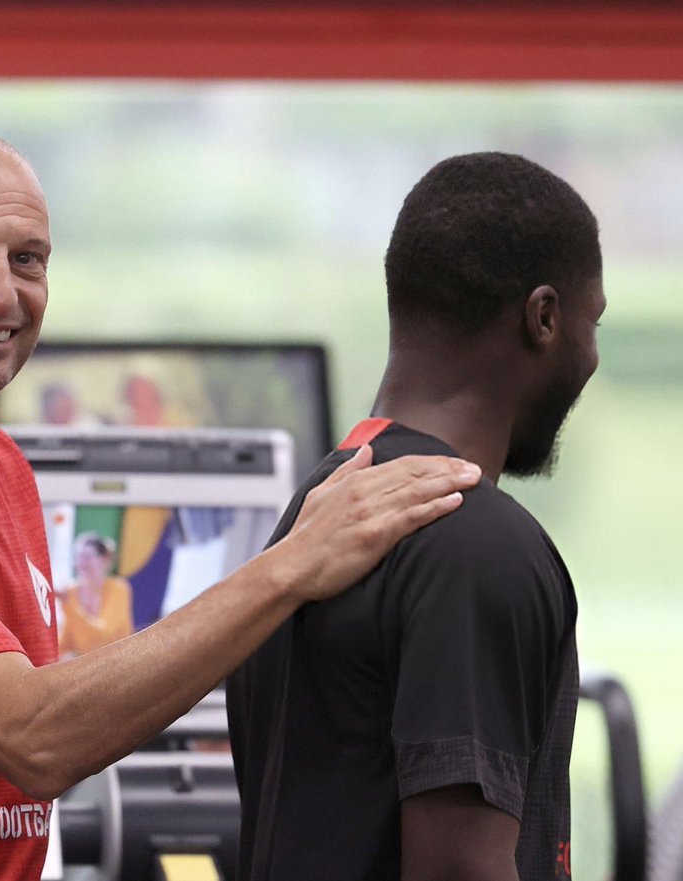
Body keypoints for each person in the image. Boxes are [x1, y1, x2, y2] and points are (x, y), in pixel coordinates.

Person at [0, 122, 481, 881]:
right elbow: (33, 737)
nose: (0, 293)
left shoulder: (5, 466)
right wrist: (290, 567)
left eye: (27, 260)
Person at [227, 151, 605, 881]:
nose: (591, 355)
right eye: (592, 322)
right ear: (545, 317)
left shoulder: (316, 509)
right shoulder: (475, 542)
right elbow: (460, 871)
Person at [58, 532, 134, 657]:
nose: (81, 562)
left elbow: (104, 636)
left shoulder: (119, 588)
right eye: (78, 556)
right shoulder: (71, 591)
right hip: (88, 665)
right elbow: (67, 642)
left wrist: (68, 606)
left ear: (104, 559)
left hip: (119, 661)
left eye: (87, 557)